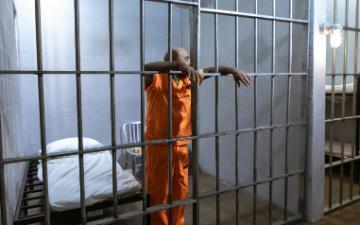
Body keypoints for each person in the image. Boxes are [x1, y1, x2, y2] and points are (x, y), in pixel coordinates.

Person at [144, 47, 251, 225]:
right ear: (173, 61)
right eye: (186, 59)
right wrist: (176, 65)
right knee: (159, 194)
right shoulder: (156, 78)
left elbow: (212, 69)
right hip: (159, 146)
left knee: (181, 191)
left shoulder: (190, 78)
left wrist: (233, 70)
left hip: (181, 145)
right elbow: (146, 67)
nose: (190, 63)